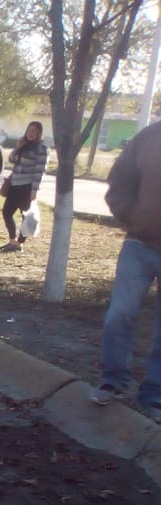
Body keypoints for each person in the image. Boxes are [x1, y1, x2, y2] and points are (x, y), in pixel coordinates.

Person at [92, 119, 161, 420]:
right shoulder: (149, 137)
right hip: (139, 245)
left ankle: (155, 395)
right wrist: (131, 215)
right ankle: (113, 380)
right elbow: (119, 181)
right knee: (119, 314)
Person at [0, 121, 47, 253]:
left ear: (39, 133)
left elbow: (39, 171)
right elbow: (12, 159)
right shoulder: (24, 145)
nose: (30, 134)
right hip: (14, 184)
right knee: (6, 212)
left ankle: (20, 243)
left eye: (34, 131)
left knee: (26, 217)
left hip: (27, 186)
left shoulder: (41, 149)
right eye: (29, 130)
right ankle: (12, 240)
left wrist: (34, 190)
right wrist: (18, 147)